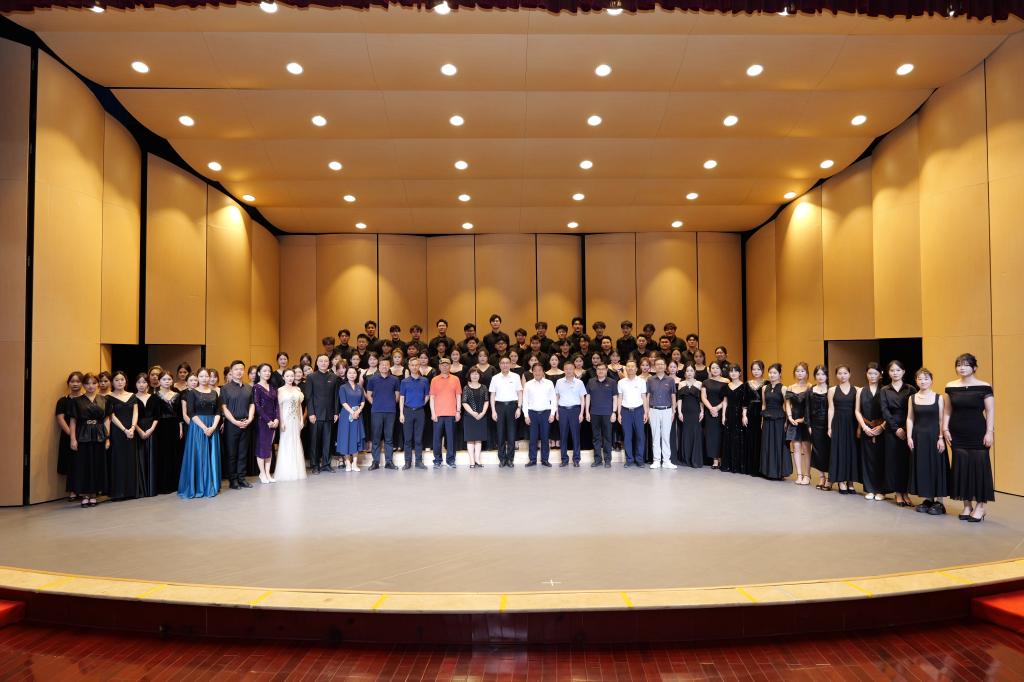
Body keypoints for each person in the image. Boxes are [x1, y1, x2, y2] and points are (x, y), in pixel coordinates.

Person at [944, 353, 995, 523]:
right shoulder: (950, 386)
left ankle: (980, 506)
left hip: (978, 432)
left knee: (980, 468)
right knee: (961, 468)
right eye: (959, 364)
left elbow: (990, 411)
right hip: (957, 433)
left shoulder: (984, 386)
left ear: (974, 367)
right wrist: (945, 428)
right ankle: (967, 505)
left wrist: (989, 432)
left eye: (966, 364)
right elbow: (947, 410)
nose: (962, 368)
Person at [67, 373, 112, 507]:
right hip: (83, 434)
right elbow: (73, 421)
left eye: (93, 383)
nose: (90, 386)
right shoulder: (76, 401)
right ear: (83, 385)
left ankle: (94, 494)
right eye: (87, 383)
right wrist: (73, 439)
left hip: (99, 434)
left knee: (98, 464)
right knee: (84, 465)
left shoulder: (104, 400)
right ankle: (85, 494)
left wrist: (107, 438)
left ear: (98, 384)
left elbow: (107, 419)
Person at [908, 368, 948, 515]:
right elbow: (910, 418)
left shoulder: (939, 398)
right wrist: (909, 437)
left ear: (931, 380)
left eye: (926, 378)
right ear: (916, 381)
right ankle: (928, 499)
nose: (923, 381)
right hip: (918, 437)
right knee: (923, 466)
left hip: (934, 437)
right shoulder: (912, 398)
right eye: (919, 379)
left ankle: (940, 502)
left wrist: (941, 438)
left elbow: (942, 419)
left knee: (936, 466)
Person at [178, 368, 221, 499]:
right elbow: (191, 412)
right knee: (198, 455)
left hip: (212, 426)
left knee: (211, 456)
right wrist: (204, 427)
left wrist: (213, 427)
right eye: (201, 376)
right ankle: (198, 486)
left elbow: (218, 412)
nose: (204, 379)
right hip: (198, 427)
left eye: (206, 376)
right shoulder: (192, 393)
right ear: (197, 378)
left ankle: (211, 484)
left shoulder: (214, 393)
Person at [880, 360, 915, 507]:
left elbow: (914, 410)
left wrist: (905, 429)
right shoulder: (884, 390)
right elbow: (885, 411)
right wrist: (896, 429)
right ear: (888, 373)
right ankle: (898, 493)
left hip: (908, 428)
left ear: (903, 372)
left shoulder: (911, 389)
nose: (895, 373)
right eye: (892, 370)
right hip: (891, 429)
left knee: (906, 461)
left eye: (898, 370)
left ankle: (905, 492)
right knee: (893, 461)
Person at [220, 360, 255, 490]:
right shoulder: (225, 388)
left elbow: (252, 404)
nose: (239, 371)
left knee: (243, 453)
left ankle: (242, 478)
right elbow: (224, 407)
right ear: (231, 371)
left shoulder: (249, 388)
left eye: (241, 369)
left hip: (246, 423)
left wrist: (250, 419)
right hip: (232, 424)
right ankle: (233, 480)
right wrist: (234, 421)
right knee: (232, 454)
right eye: (236, 369)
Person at [304, 354, 339, 474]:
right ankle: (315, 465)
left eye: (326, 361)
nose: (323, 363)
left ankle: (326, 464)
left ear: (329, 363)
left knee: (328, 441)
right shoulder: (311, 377)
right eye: (321, 361)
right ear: (317, 363)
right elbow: (309, 397)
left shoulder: (334, 377)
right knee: (315, 441)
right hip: (316, 415)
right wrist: (311, 413)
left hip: (330, 414)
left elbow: (336, 397)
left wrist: (336, 412)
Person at [108, 371, 140, 501]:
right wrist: (124, 429)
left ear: (126, 381)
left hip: (131, 431)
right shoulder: (109, 397)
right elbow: (111, 416)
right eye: (116, 380)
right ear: (112, 382)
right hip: (117, 431)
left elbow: (135, 413)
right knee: (118, 460)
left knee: (130, 459)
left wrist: (132, 428)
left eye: (122, 379)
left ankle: (130, 491)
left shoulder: (132, 396)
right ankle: (118, 492)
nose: (120, 382)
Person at [856, 363, 886, 501]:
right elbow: (857, 411)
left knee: (881, 459)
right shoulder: (861, 390)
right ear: (866, 374)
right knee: (867, 459)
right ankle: (869, 489)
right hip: (866, 427)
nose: (872, 376)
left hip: (882, 428)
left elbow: (889, 411)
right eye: (870, 373)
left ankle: (881, 490)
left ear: (880, 374)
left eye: (875, 373)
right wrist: (864, 427)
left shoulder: (885, 390)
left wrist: (882, 427)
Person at [828, 365, 860, 494]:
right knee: (839, 450)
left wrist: (859, 427)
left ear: (850, 374)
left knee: (852, 451)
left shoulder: (857, 390)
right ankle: (841, 481)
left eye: (845, 373)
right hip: (838, 423)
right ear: (836, 375)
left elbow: (859, 410)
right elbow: (831, 409)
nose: (842, 376)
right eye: (840, 373)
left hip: (852, 423)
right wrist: (829, 426)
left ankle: (851, 482)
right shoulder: (832, 390)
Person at [366, 357, 400, 470]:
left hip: (390, 412)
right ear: (379, 366)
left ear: (389, 366)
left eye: (386, 364)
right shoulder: (372, 379)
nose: (384, 366)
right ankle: (375, 462)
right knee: (376, 437)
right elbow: (368, 394)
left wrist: (390, 404)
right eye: (382, 365)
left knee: (389, 438)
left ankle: (389, 462)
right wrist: (375, 404)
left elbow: (397, 395)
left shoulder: (395, 379)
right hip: (376, 411)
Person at [153, 371, 184, 494]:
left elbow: (180, 414)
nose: (167, 381)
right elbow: (154, 414)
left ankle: (174, 484)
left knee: (174, 453)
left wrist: (180, 428)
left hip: (174, 426)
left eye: (169, 379)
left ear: (172, 381)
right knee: (162, 454)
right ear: (159, 381)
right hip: (160, 427)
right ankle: (163, 485)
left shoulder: (177, 395)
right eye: (164, 379)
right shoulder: (155, 396)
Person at [275, 368, 308, 481]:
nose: (290, 378)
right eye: (287, 376)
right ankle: (286, 471)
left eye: (292, 376)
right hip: (285, 420)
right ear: (283, 377)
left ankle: (297, 470)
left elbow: (299, 406)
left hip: (296, 420)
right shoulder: (280, 390)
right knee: (286, 442)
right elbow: (279, 407)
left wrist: (302, 420)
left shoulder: (297, 389)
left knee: (296, 442)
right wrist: (281, 422)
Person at [489, 356, 522, 467]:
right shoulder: (495, 378)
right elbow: (492, 395)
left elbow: (520, 393)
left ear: (510, 364)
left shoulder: (516, 377)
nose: (505, 365)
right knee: (500, 434)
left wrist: (519, 407)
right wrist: (493, 411)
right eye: (502, 363)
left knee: (512, 435)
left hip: (512, 406)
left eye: (507, 363)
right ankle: (502, 459)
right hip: (499, 407)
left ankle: (510, 459)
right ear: (499, 365)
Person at [554, 359, 588, 467]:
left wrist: (581, 413)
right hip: (562, 410)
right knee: (563, 436)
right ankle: (564, 459)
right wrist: (557, 412)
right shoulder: (559, 382)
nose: (568, 371)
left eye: (570, 369)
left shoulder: (579, 382)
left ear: (574, 369)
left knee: (575, 435)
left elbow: (582, 399)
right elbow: (556, 397)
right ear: (563, 370)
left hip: (575, 410)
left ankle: (576, 459)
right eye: (566, 369)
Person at [430, 358, 462, 467]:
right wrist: (433, 413)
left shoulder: (455, 379)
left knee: (451, 438)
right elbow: (432, 397)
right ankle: (437, 460)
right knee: (437, 439)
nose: (445, 366)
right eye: (442, 365)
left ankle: (451, 460)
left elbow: (458, 396)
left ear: (450, 366)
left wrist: (458, 411)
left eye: (447, 364)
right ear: (439, 366)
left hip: (451, 413)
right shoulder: (434, 380)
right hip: (438, 414)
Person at [56, 371, 84, 499]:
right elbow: (60, 419)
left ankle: (83, 490)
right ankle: (73, 491)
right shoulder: (63, 401)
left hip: (85, 436)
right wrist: (71, 434)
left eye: (78, 381)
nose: (75, 384)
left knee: (83, 463)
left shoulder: (86, 399)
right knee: (71, 464)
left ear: (82, 383)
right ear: (68, 383)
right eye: (72, 381)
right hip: (68, 436)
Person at [760, 363, 789, 480]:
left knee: (778, 444)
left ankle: (778, 472)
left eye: (774, 373)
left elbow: (786, 406)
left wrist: (787, 421)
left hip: (779, 419)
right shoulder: (764, 388)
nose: (772, 375)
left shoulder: (783, 388)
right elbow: (764, 405)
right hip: (767, 418)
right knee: (767, 444)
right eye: (770, 373)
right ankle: (767, 471)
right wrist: (762, 420)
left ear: (780, 374)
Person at [399, 358, 430, 470]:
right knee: (407, 438)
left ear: (419, 366)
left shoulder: (424, 380)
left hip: (420, 412)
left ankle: (418, 461)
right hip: (407, 411)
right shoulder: (404, 382)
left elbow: (427, 395)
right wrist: (401, 413)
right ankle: (407, 462)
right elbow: (402, 398)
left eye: (416, 365)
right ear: (409, 366)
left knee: (418, 438)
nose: (414, 367)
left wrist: (421, 404)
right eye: (412, 365)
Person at [523, 363, 557, 467]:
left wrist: (552, 414)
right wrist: (526, 415)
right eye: (535, 370)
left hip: (545, 414)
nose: (537, 372)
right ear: (532, 372)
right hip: (532, 414)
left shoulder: (549, 383)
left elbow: (553, 399)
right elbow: (525, 401)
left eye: (540, 370)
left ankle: (545, 460)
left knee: (545, 438)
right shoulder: (528, 384)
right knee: (533, 438)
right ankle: (532, 460)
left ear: (543, 372)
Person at [646, 358, 677, 469]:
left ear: (665, 366)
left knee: (665, 436)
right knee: (655, 436)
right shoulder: (650, 379)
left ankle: (666, 461)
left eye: (662, 364)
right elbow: (648, 396)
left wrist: (673, 411)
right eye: (657, 364)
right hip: (653, 410)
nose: (660, 366)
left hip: (667, 410)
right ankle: (656, 460)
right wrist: (647, 411)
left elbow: (673, 396)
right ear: (654, 366)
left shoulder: (670, 380)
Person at [585, 361, 617, 468]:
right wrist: (587, 412)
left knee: (607, 437)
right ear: (596, 370)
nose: (601, 371)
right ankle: (597, 460)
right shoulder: (591, 381)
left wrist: (614, 412)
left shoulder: (612, 382)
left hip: (607, 414)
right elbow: (588, 397)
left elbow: (615, 398)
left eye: (603, 369)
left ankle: (607, 460)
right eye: (599, 369)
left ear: (606, 370)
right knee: (596, 437)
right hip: (594, 413)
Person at [617, 361, 648, 468]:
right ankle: (629, 459)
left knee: (640, 436)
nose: (630, 368)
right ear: (626, 369)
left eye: (632, 366)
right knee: (627, 437)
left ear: (636, 369)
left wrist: (646, 412)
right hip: (625, 412)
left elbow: (644, 397)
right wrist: (619, 413)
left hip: (639, 411)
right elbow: (620, 398)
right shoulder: (621, 382)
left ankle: (639, 459)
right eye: (628, 366)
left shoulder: (641, 381)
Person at [784, 363, 811, 485]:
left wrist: (804, 418)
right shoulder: (790, 387)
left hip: (805, 419)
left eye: (802, 371)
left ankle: (807, 475)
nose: (800, 373)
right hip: (793, 419)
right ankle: (799, 474)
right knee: (795, 447)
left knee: (806, 447)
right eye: (797, 371)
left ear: (807, 373)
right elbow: (787, 404)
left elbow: (811, 406)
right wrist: (789, 417)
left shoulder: (810, 387)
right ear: (794, 373)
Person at [253, 364, 279, 484]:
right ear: (259, 373)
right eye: (264, 371)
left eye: (269, 371)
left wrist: (277, 419)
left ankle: (268, 473)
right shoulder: (256, 387)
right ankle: (262, 473)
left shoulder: (273, 387)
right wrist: (268, 420)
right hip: (262, 421)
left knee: (269, 447)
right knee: (262, 448)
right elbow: (257, 406)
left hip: (273, 422)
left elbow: (276, 405)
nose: (267, 373)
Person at [336, 366, 365, 472]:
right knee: (346, 438)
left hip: (358, 415)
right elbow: (343, 402)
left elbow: (363, 401)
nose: (352, 375)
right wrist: (352, 412)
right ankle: (347, 462)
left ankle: (354, 463)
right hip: (346, 415)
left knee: (356, 437)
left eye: (354, 373)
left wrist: (358, 411)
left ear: (357, 375)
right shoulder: (343, 387)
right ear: (346, 375)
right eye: (350, 373)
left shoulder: (359, 387)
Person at [133, 373, 158, 497]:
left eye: (144, 382)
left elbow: (157, 416)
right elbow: (132, 418)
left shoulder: (154, 398)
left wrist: (151, 429)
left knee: (151, 458)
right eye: (139, 382)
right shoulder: (132, 398)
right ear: (135, 384)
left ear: (148, 383)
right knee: (140, 458)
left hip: (152, 430)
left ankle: (152, 489)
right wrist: (139, 431)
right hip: (138, 430)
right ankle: (142, 489)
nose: (141, 385)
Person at [676, 363, 705, 468]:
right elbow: (679, 399)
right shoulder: (681, 383)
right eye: (687, 371)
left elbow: (701, 400)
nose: (689, 373)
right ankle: (686, 458)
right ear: (685, 373)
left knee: (695, 434)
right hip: (685, 412)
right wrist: (679, 412)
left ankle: (695, 459)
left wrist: (702, 411)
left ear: (694, 372)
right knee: (686, 434)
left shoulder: (699, 383)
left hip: (695, 411)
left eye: (691, 371)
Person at [701, 361, 728, 469]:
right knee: (712, 436)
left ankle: (722, 458)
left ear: (721, 369)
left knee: (721, 435)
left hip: (722, 411)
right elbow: (703, 397)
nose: (715, 370)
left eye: (717, 368)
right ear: (709, 369)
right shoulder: (705, 382)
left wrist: (717, 408)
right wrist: (711, 408)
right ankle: (715, 460)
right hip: (709, 411)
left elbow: (726, 398)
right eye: (713, 368)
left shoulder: (726, 381)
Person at [808, 365, 831, 490]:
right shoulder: (811, 390)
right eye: (818, 374)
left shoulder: (831, 389)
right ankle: (822, 477)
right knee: (817, 451)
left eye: (823, 374)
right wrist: (809, 425)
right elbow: (807, 408)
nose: (820, 376)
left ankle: (830, 478)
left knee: (830, 450)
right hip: (815, 424)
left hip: (829, 425)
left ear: (827, 376)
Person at [461, 367, 489, 468]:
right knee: (470, 439)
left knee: (478, 439)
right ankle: (472, 461)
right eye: (473, 374)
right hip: (469, 416)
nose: (475, 376)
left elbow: (486, 401)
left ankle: (477, 459)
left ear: (480, 376)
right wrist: (473, 413)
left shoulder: (484, 387)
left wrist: (482, 413)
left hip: (481, 416)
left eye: (477, 374)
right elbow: (464, 402)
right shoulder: (466, 388)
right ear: (469, 375)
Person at [721, 363, 745, 473]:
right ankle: (728, 465)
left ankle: (738, 465)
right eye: (731, 371)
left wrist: (744, 415)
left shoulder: (744, 386)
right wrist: (723, 415)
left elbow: (745, 403)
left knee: (739, 438)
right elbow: (725, 401)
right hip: (729, 413)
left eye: (736, 371)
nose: (733, 373)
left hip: (739, 414)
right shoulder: (726, 386)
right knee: (729, 437)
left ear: (740, 373)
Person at [742, 360, 764, 477]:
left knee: (760, 439)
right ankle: (750, 467)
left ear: (762, 370)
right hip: (750, 413)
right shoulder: (747, 384)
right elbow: (745, 401)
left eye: (758, 369)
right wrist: (744, 415)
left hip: (762, 412)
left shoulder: (767, 383)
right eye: (754, 369)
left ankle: (760, 468)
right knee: (749, 439)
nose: (756, 371)